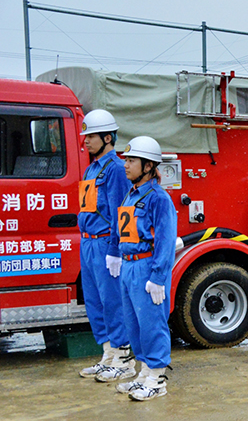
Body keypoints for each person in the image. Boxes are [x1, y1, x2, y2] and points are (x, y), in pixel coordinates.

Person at [115, 136, 177, 401]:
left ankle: (157, 378)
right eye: (126, 160)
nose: (126, 165)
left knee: (152, 323)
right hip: (128, 268)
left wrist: (158, 277)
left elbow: (165, 240)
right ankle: (144, 372)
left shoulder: (159, 199)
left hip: (146, 267)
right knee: (134, 324)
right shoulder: (131, 194)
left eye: (131, 160)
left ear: (149, 165)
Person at [77, 109, 133, 382]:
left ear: (108, 137)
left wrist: (114, 250)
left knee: (112, 302)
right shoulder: (91, 168)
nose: (85, 140)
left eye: (91, 136)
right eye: (85, 136)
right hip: (87, 244)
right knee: (95, 302)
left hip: (104, 245)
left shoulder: (116, 170)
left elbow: (119, 213)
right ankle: (108, 354)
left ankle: (124, 359)